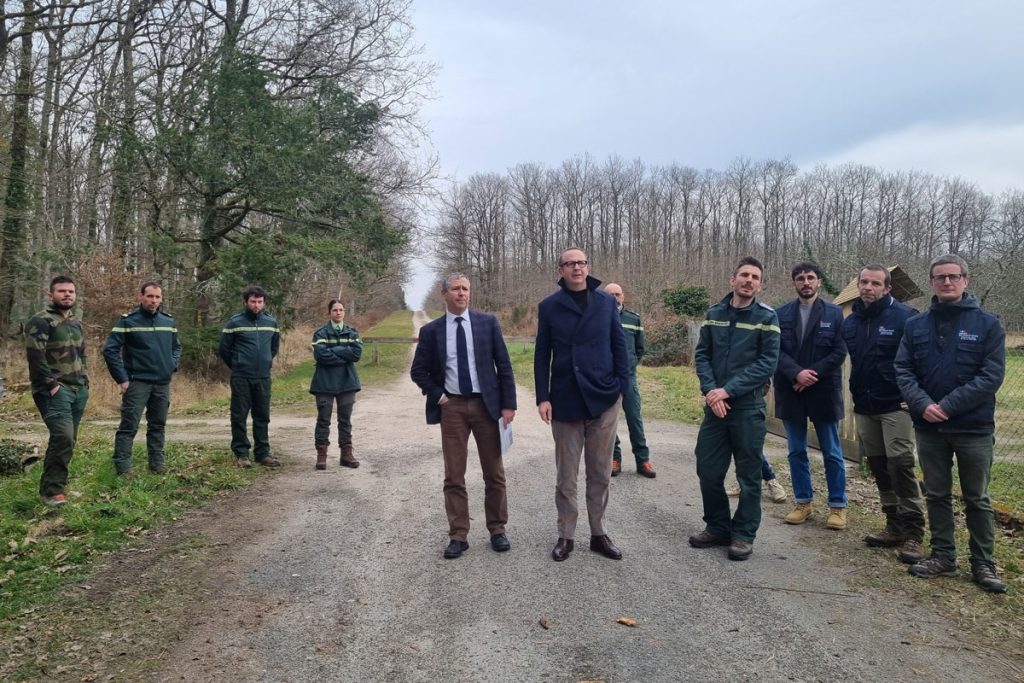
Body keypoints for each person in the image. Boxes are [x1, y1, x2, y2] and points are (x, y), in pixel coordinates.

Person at [895, 254, 1007, 593]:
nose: (947, 282)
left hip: (973, 427)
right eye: (940, 277)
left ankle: (983, 562)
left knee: (977, 497)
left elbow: (991, 375)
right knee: (937, 493)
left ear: (965, 280)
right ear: (931, 282)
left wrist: (947, 405)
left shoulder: (988, 324)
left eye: (953, 276)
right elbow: (903, 369)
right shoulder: (915, 325)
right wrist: (923, 404)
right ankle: (943, 555)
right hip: (930, 428)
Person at [411, 274, 517, 559]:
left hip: (487, 406)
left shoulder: (487, 323)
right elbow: (418, 371)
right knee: (454, 474)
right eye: (456, 289)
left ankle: (497, 529)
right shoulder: (432, 330)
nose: (461, 293)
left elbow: (504, 366)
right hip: (453, 408)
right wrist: (440, 396)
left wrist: (509, 405)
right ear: (444, 294)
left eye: (466, 289)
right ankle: (458, 535)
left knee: (494, 472)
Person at [534, 248, 630, 562]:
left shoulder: (606, 303)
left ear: (587, 267)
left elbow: (619, 347)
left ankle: (598, 533)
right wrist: (543, 396)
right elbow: (541, 354)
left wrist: (620, 390)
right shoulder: (549, 307)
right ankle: (566, 536)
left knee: (600, 472)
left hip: (603, 398)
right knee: (566, 476)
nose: (577, 267)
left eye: (581, 262)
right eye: (570, 263)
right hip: (565, 400)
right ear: (560, 269)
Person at [689, 256, 780, 561]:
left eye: (755, 277)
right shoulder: (714, 313)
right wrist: (712, 393)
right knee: (707, 468)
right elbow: (702, 355)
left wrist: (726, 391)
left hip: (747, 406)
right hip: (715, 408)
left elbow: (768, 362)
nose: (749, 280)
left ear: (760, 284)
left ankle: (743, 534)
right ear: (733, 280)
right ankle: (717, 526)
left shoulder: (767, 318)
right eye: (744, 275)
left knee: (748, 475)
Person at [841, 265, 925, 564]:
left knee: (900, 464)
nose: (868, 287)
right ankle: (894, 525)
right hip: (865, 405)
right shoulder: (850, 323)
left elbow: (920, 361)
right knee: (878, 465)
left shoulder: (906, 318)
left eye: (875, 283)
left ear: (887, 288)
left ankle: (914, 532)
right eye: (864, 282)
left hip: (896, 405)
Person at [774, 262, 849, 530]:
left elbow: (839, 352)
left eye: (810, 278)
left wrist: (811, 374)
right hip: (791, 390)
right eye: (800, 278)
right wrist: (796, 374)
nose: (806, 282)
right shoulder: (780, 313)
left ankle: (838, 507)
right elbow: (776, 351)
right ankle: (803, 502)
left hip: (823, 392)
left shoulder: (834, 314)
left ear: (818, 281)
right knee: (796, 450)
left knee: (832, 452)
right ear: (794, 283)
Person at [102, 282, 181, 480]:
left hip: (162, 383)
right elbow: (110, 350)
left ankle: (157, 463)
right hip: (137, 382)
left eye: (157, 297)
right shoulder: (128, 321)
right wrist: (122, 378)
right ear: (141, 297)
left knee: (158, 424)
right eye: (150, 296)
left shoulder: (168, 321)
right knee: (129, 426)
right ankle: (123, 468)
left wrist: (171, 365)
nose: (154, 301)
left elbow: (176, 347)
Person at [25, 276, 89, 506]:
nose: (67, 295)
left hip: (78, 389)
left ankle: (57, 486)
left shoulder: (75, 322)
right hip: (53, 391)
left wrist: (85, 380)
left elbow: (82, 353)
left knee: (68, 440)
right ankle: (51, 493)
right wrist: (52, 386)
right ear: (51, 294)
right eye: (62, 291)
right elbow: (35, 356)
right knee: (63, 437)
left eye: (71, 291)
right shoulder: (41, 321)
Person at [219, 286, 281, 468]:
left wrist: (266, 361)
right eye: (253, 301)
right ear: (245, 302)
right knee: (239, 416)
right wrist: (238, 364)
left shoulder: (271, 323)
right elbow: (224, 349)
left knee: (262, 415)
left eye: (259, 301)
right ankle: (242, 454)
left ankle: (262, 453)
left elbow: (274, 347)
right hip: (241, 377)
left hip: (263, 377)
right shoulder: (234, 323)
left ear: (264, 302)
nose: (256, 305)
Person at [603, 283, 656, 479]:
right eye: (611, 295)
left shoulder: (634, 319)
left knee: (635, 418)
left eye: (618, 294)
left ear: (623, 296)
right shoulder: (597, 318)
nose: (615, 298)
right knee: (609, 421)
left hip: (629, 377)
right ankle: (614, 458)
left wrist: (631, 365)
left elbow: (640, 348)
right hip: (607, 379)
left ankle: (643, 460)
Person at [310, 299, 363, 470]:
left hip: (347, 382)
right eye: (335, 310)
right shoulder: (320, 333)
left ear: (344, 312)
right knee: (323, 419)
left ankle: (346, 455)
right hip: (324, 382)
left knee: (345, 420)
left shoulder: (352, 332)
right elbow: (320, 355)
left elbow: (356, 354)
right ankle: (321, 455)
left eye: (341, 310)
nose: (338, 312)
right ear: (329, 313)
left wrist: (333, 351)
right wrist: (343, 354)